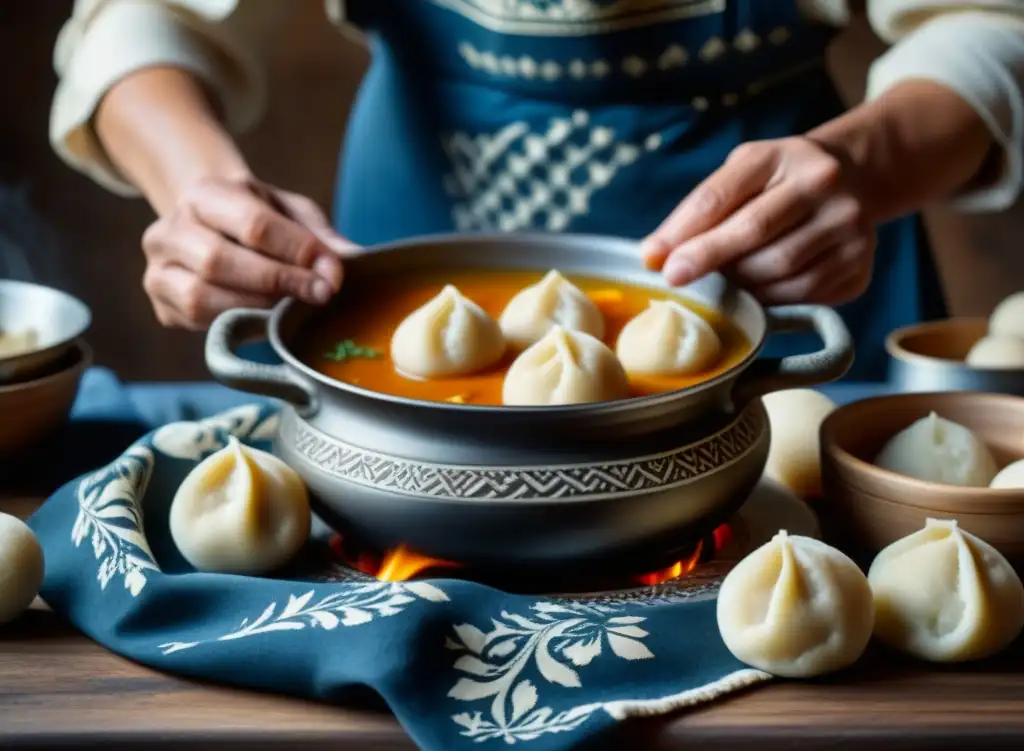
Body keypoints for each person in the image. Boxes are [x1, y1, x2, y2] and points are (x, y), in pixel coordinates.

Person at [50, 0, 1024, 380]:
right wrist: (200, 193)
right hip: (405, 264)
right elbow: (143, 22)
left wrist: (869, 163)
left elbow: (994, 20)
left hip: (793, 260)